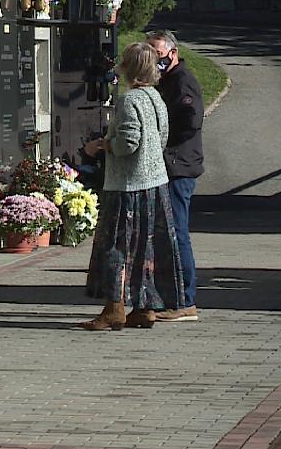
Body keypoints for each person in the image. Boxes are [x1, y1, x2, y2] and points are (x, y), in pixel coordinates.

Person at [79, 43, 185, 331]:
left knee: (116, 246)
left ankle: (114, 307)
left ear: (130, 68)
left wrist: (101, 145)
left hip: (127, 186)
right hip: (155, 183)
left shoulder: (129, 100)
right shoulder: (156, 98)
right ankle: (145, 306)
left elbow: (128, 143)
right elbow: (161, 138)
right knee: (146, 247)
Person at [147, 30, 203, 322]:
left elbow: (191, 120)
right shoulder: (167, 82)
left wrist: (164, 143)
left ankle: (185, 300)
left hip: (179, 167)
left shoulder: (182, 81)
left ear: (172, 52)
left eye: (157, 53)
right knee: (168, 234)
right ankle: (173, 297)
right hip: (172, 166)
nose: (154, 59)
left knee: (177, 232)